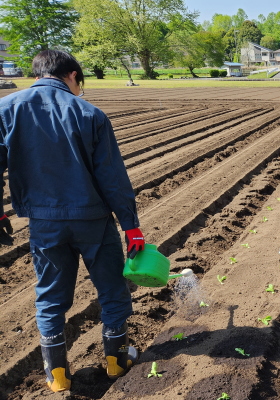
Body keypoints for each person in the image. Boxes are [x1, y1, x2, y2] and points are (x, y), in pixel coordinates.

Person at [0, 50, 145, 392]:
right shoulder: (89, 113)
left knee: (50, 296)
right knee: (111, 289)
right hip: (93, 221)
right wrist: (131, 225)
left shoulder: (6, 109)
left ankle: (57, 376)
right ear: (73, 76)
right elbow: (112, 178)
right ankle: (117, 360)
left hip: (44, 224)